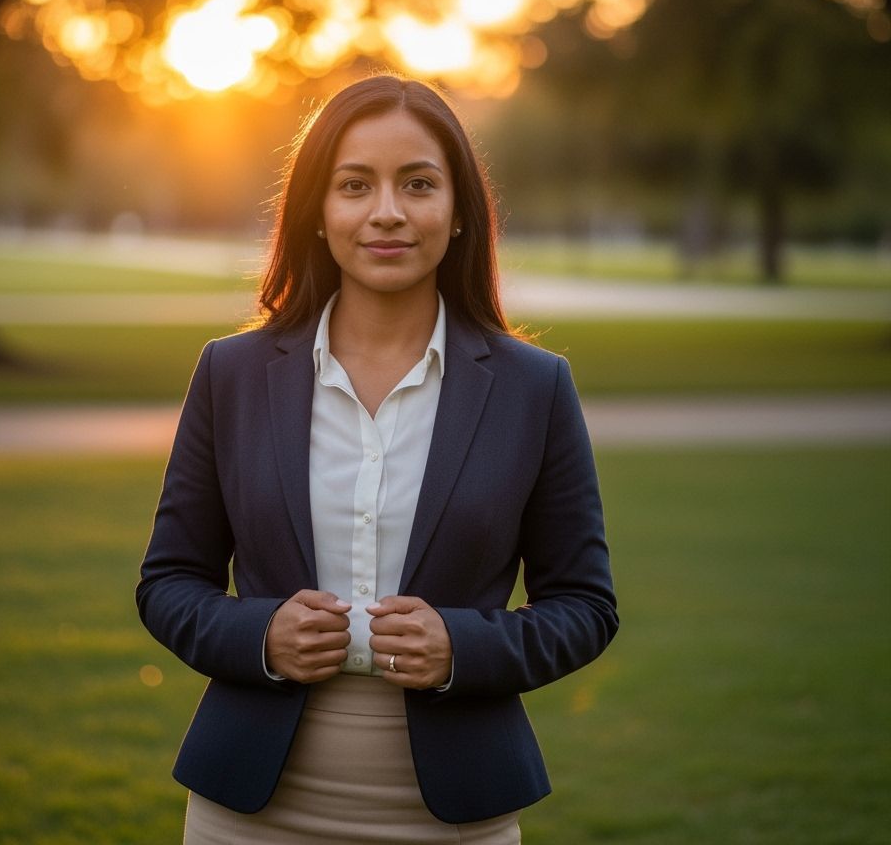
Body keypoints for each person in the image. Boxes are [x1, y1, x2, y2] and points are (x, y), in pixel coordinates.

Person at [137, 74, 618, 844]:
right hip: (250, 809)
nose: (387, 211)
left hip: (456, 808)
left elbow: (586, 608)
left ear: (458, 212)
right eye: (355, 185)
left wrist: (463, 646)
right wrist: (260, 636)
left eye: (418, 184)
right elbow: (167, 584)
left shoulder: (534, 388)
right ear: (318, 214)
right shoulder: (230, 374)